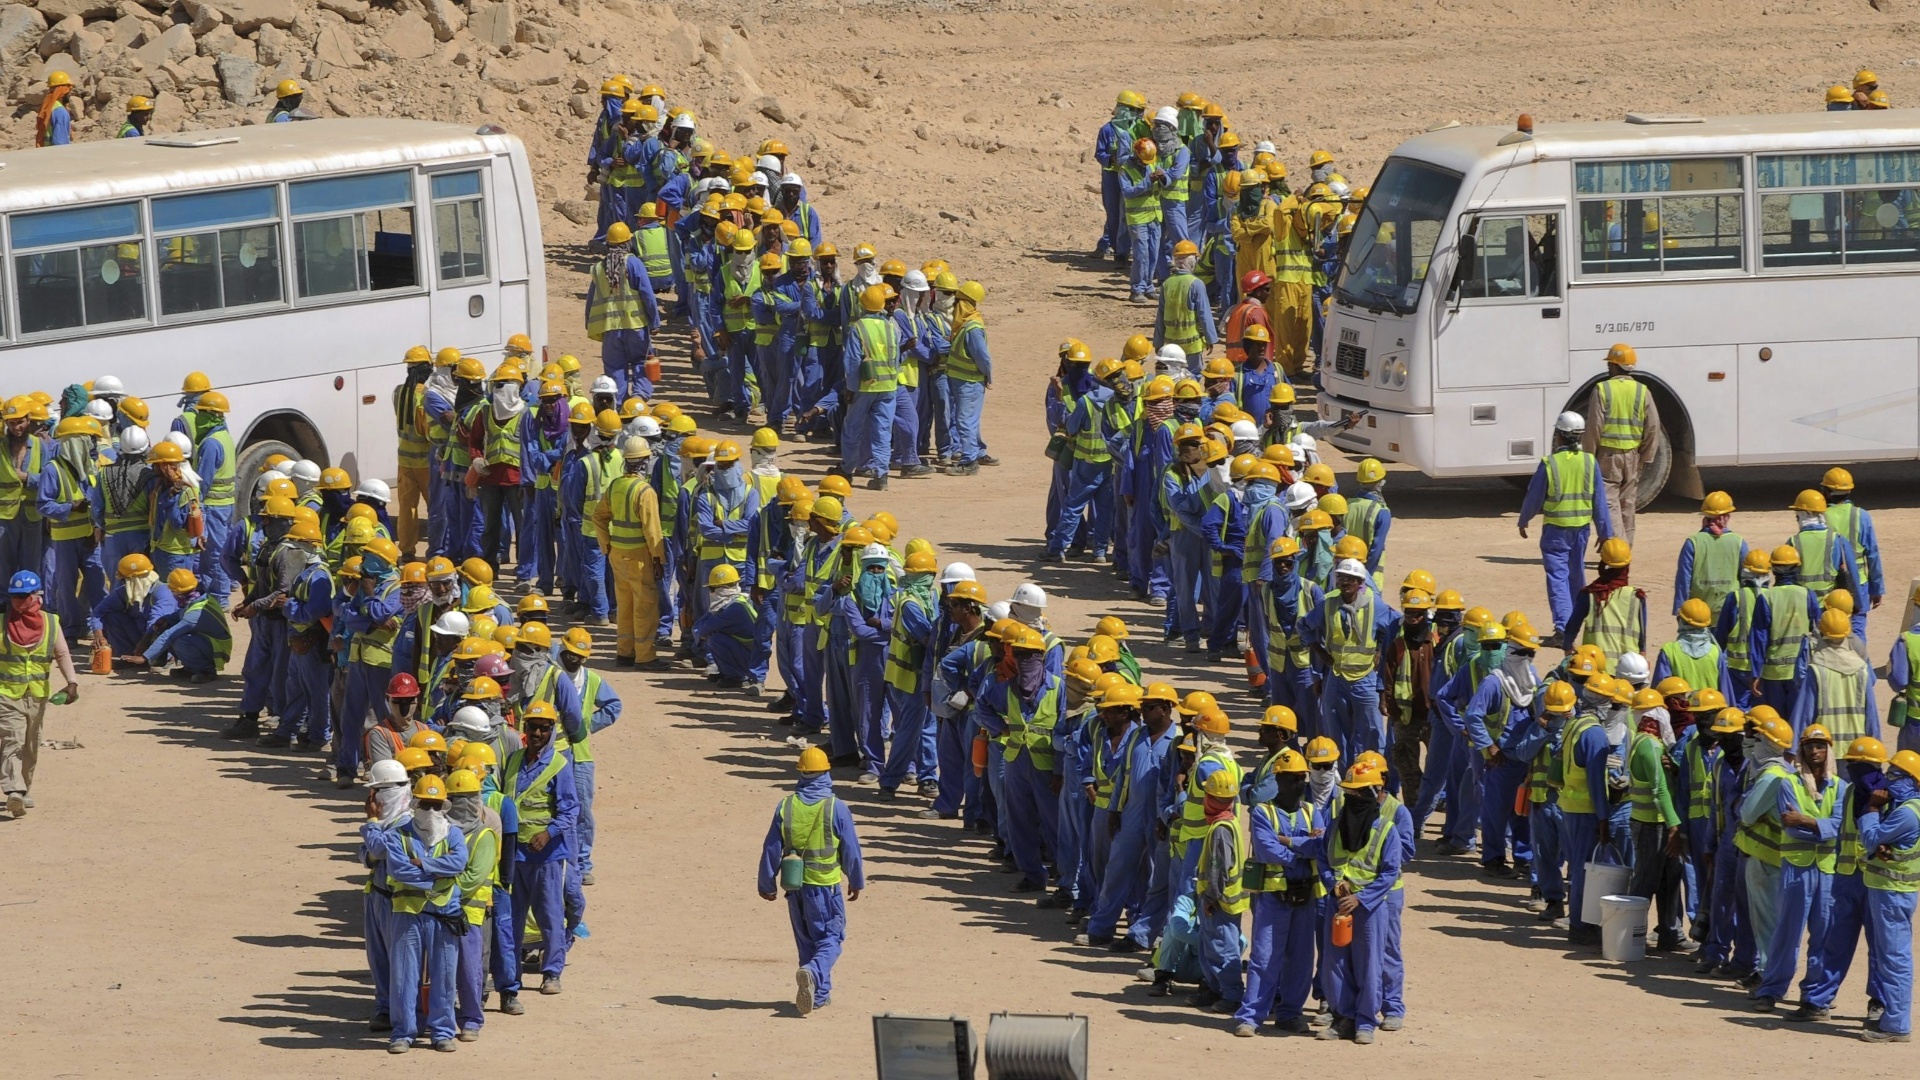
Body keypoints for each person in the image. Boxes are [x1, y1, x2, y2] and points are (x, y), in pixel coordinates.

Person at [758, 747, 864, 1016]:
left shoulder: (786, 806)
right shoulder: (836, 808)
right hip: (825, 887)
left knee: (806, 941)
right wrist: (856, 879)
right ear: (826, 773)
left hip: (795, 887)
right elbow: (850, 848)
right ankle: (814, 973)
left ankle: (818, 996)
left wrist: (766, 883)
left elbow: (771, 847)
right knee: (831, 937)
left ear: (801, 774)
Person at [1307, 760, 1404, 1044]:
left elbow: (1389, 873)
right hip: (1338, 904)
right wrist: (1333, 884)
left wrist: (1360, 898)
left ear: (1372, 794)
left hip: (1368, 909)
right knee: (1334, 965)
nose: (1352, 799)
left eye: (1358, 793)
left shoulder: (1386, 830)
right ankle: (1343, 1019)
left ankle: (1365, 1022)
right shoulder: (1337, 825)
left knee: (1368, 965)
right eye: (1349, 793)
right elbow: (1324, 859)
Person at [1751, 723, 1847, 1012]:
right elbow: (1791, 829)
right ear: (1801, 750)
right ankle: (1771, 989)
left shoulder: (1842, 787)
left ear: (1828, 750)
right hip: (1796, 868)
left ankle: (1813, 995)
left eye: (1820, 746)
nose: (1814, 751)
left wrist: (1807, 821)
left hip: (1827, 870)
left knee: (1823, 935)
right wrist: (1822, 828)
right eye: (1809, 746)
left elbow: (1840, 826)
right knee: (1787, 933)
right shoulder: (1788, 784)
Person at [373, 773, 468, 1054]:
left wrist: (423, 863)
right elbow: (399, 871)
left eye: (436, 805)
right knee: (403, 976)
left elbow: (459, 862)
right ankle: (403, 1032)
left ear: (444, 807)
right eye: (425, 805)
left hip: (443, 914)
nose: (431, 811)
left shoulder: (453, 833)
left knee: (444, 975)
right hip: (407, 914)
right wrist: (439, 874)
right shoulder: (397, 835)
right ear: (415, 804)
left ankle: (442, 1031)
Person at [1798, 735, 1888, 1022]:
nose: (1855, 770)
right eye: (1851, 764)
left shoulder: (1889, 796)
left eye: (1861, 765)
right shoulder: (1849, 793)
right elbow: (1840, 833)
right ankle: (1817, 1001)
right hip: (1847, 879)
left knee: (1880, 947)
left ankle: (1879, 1003)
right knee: (1834, 943)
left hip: (1877, 882)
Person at [501, 700, 578, 1003]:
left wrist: (548, 834)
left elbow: (570, 810)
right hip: (515, 853)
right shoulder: (514, 760)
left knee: (550, 915)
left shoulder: (560, 765)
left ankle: (552, 972)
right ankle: (511, 975)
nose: (536, 733)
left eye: (543, 728)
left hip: (547, 855)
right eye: (532, 727)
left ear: (551, 730)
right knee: (513, 917)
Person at [1517, 411, 1613, 638]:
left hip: (1555, 531)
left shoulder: (1550, 464)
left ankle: (1563, 628)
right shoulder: (1590, 462)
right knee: (1576, 574)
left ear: (1559, 435)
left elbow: (1534, 496)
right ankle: (1579, 620)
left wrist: (1524, 520)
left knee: (1557, 577)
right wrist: (1604, 532)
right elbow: (1599, 499)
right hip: (1581, 530)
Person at [1302, 558, 1399, 761]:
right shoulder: (1328, 605)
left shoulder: (1375, 606)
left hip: (1365, 680)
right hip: (1336, 679)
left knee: (1372, 733)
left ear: (1360, 582)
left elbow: (1396, 626)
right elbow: (1303, 626)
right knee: (1336, 736)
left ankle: (1374, 777)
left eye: (1351, 579)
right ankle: (1345, 781)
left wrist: (1381, 650)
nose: (1346, 583)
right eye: (1342, 578)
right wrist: (1320, 653)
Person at [0, 571, 79, 818]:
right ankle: (13, 789)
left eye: (23, 596)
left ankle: (24, 791)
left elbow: (62, 654)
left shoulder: (51, 622)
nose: (18, 601)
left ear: (36, 597)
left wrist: (72, 682)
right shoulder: (2, 623)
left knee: (31, 744)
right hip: (6, 694)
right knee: (11, 740)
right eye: (14, 597)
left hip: (37, 696)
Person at [1856, 747, 1920, 1042]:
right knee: (1891, 956)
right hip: (1894, 892)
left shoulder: (1907, 813)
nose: (1889, 781)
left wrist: (1871, 808)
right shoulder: (1905, 808)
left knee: (1894, 958)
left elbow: (1870, 838)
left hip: (1892, 893)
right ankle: (1894, 1017)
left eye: (1897, 775)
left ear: (1914, 781)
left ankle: (1896, 1024)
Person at [1624, 686, 1687, 951]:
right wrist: (1674, 825)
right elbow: (1659, 790)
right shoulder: (1649, 745)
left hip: (1655, 822)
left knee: (1669, 881)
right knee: (1646, 881)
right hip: (1652, 825)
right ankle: (1628, 938)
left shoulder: (1647, 742)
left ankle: (1669, 936)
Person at [1738, 712, 1799, 978]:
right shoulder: (1782, 770)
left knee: (1766, 920)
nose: (1749, 739)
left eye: (1754, 734)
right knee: (1770, 919)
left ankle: (1768, 972)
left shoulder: (1771, 776)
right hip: (1772, 856)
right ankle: (1769, 971)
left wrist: (1748, 806)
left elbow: (1747, 813)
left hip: (1766, 858)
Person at [593, 437, 665, 665]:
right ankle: (645, 656)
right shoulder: (645, 491)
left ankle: (625, 652)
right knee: (644, 605)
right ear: (644, 461)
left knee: (624, 604)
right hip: (640, 557)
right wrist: (658, 559)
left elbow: (598, 516)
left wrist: (606, 545)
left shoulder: (615, 486)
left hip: (617, 555)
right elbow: (653, 531)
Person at [1582, 343, 1660, 544]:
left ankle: (1618, 550)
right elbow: (1653, 427)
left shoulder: (1602, 389)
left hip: (1608, 457)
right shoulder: (1643, 391)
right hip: (1633, 456)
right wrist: (1645, 456)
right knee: (1627, 505)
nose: (1608, 368)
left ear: (1615, 366)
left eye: (1610, 364)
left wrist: (1588, 457)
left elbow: (1594, 427)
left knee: (1609, 505)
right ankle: (1626, 552)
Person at [1193, 769, 1248, 1016]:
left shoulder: (1220, 828)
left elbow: (1219, 866)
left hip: (1220, 903)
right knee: (1213, 947)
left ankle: (1232, 995)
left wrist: (1212, 897)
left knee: (1223, 950)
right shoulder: (1229, 821)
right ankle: (1216, 989)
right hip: (1225, 901)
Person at [587, 222, 663, 402]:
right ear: (627, 242)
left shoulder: (599, 268)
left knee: (615, 367)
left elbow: (591, 300)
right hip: (636, 326)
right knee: (640, 362)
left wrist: (590, 325)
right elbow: (647, 294)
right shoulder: (634, 263)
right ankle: (639, 400)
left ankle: (619, 404)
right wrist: (655, 321)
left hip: (610, 329)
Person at [1382, 588, 1438, 807]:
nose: (1412, 618)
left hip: (1433, 718)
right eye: (1408, 613)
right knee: (1408, 770)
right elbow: (1388, 679)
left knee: (1438, 767)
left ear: (1425, 615)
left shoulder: (1436, 642)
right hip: (1406, 719)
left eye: (1417, 614)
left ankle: (1432, 805)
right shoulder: (1397, 645)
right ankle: (1414, 816)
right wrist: (1392, 709)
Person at [1795, 608, 1879, 750]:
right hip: (1856, 750)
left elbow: (1804, 714)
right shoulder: (1861, 669)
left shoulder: (1816, 670)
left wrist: (1793, 749)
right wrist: (1875, 745)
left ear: (1822, 633)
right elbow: (1871, 715)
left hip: (1824, 749)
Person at [131, 569, 230, 682]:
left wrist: (144, 657)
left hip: (218, 650)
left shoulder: (195, 613)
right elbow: (181, 613)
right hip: (208, 642)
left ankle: (206, 671)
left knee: (180, 640)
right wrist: (166, 619)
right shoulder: (199, 598)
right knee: (167, 628)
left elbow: (170, 635)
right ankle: (191, 668)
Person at [1820, 467, 1884, 639]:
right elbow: (1873, 554)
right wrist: (1877, 588)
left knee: (1828, 628)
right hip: (1859, 584)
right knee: (1856, 630)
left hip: (1830, 583)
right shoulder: (1861, 516)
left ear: (1826, 491)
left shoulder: (1820, 516)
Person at [186, 391, 237, 604]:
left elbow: (203, 481)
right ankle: (222, 593)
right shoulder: (224, 436)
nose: (197, 417)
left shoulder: (210, 443)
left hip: (215, 507)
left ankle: (218, 598)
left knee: (213, 554)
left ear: (210, 415)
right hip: (227, 505)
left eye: (201, 413)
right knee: (222, 550)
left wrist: (196, 504)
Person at [943, 279, 996, 475]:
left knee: (965, 420)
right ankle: (975, 452)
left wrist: (987, 376)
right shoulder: (963, 324)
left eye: (958, 300)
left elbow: (983, 357)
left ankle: (969, 460)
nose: (955, 304)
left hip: (970, 382)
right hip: (961, 380)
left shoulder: (972, 328)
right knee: (968, 419)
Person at [1564, 538, 1646, 664]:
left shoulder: (1590, 594)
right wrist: (1642, 655)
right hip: (1629, 669)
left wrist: (1568, 647)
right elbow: (1642, 635)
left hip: (1595, 667)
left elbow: (1572, 627)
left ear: (1603, 564)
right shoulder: (1637, 597)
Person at [691, 564, 768, 691]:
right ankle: (727, 671)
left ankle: (738, 676)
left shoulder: (733, 608)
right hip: (747, 652)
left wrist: (701, 632)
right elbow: (700, 626)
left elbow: (701, 630)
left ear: (720, 589)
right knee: (715, 636)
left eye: (712, 589)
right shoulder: (731, 602)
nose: (710, 593)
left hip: (750, 657)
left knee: (715, 639)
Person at [1674, 491, 1747, 620]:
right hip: (1730, 613)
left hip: (1698, 614)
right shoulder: (1739, 542)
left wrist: (1680, 609)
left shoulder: (1693, 542)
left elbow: (1683, 580)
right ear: (1727, 516)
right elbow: (1746, 579)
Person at [37, 72, 73, 146]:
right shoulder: (60, 112)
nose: (70, 93)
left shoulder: (48, 106)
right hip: (55, 154)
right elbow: (60, 143)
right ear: (62, 90)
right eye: (69, 90)